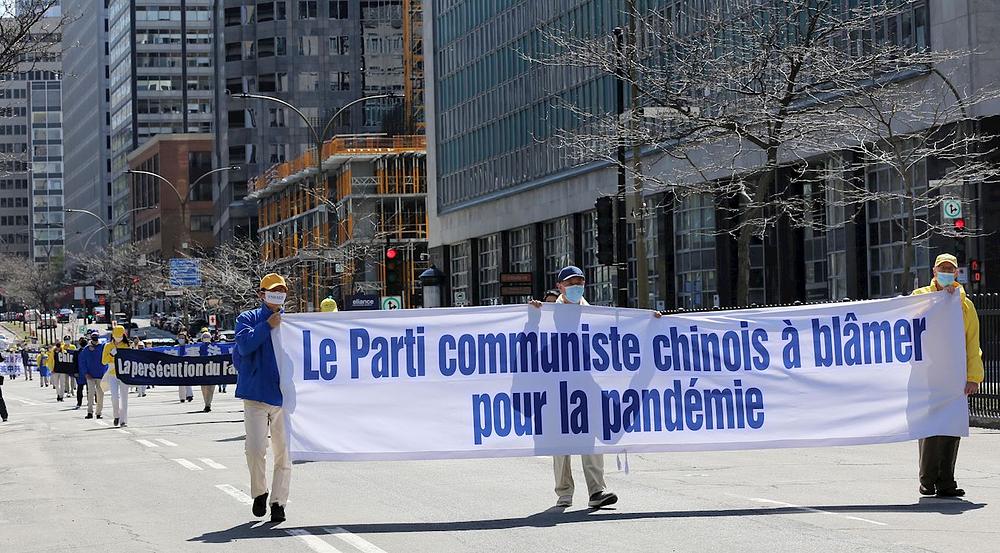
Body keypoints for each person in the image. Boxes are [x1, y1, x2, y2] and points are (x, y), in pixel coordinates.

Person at [530, 265, 662, 509]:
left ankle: (596, 491)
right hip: (556, 386)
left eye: (579, 282)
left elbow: (623, 332)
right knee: (561, 443)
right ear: (560, 286)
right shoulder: (548, 312)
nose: (576, 287)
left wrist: (649, 323)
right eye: (570, 283)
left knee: (590, 440)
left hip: (587, 386)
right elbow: (531, 340)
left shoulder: (594, 314)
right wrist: (534, 317)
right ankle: (564, 493)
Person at [911, 253, 984, 498]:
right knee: (931, 429)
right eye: (942, 268)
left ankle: (946, 481)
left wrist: (974, 376)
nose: (946, 272)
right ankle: (927, 479)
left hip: (955, 377)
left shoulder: (964, 304)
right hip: (929, 376)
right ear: (934, 271)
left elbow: (972, 343)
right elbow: (912, 319)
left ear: (955, 273)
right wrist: (938, 299)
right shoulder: (920, 296)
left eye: (950, 269)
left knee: (951, 429)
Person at [235, 273, 291, 523]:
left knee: (284, 453)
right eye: (272, 290)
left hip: (285, 398)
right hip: (256, 395)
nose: (277, 294)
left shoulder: (293, 322)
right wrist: (268, 324)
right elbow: (244, 346)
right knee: (255, 449)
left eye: (281, 290)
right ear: (262, 294)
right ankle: (259, 492)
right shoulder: (247, 318)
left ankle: (278, 502)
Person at [102, 326, 132, 427]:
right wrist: (110, 355)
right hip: (112, 373)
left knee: (124, 398)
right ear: (113, 335)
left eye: (120, 336)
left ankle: (123, 420)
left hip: (124, 373)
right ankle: (116, 416)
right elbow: (104, 361)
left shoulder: (126, 345)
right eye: (116, 336)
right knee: (114, 397)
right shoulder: (107, 346)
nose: (118, 338)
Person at [78, 333, 106, 419]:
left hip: (100, 375)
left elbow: (106, 360)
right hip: (90, 375)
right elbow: (82, 362)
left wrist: (105, 372)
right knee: (90, 393)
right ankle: (89, 412)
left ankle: (99, 413)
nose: (95, 340)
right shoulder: (86, 349)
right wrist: (85, 373)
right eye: (94, 339)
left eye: (96, 338)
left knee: (100, 394)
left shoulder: (102, 347)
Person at [198, 331, 215, 412]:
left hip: (213, 370)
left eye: (207, 337)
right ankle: (206, 403)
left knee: (211, 389)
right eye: (204, 337)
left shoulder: (215, 347)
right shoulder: (198, 347)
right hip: (202, 370)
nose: (206, 338)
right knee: (204, 388)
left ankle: (208, 404)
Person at [176, 331, 194, 403]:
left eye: (182, 338)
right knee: (181, 383)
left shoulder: (189, 347)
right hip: (178, 366)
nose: (181, 339)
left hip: (188, 365)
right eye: (180, 338)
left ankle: (189, 395)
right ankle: (182, 397)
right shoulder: (175, 348)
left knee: (188, 381)